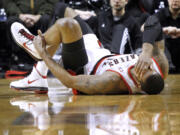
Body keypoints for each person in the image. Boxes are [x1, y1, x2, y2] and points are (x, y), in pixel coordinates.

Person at [10, 3, 169, 95]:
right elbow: (153, 21)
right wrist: (147, 53)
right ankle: (38, 74)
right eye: (148, 67)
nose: (142, 66)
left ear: (139, 85)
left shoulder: (112, 82)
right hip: (99, 51)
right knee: (62, 9)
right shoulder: (159, 66)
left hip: (83, 66)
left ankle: (37, 47)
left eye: (142, 71)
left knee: (67, 24)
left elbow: (69, 81)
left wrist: (45, 55)